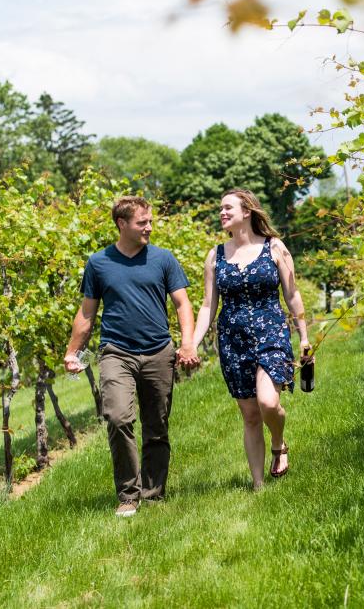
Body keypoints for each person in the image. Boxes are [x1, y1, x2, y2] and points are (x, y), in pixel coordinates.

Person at [65, 196, 199, 518]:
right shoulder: (99, 263)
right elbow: (87, 313)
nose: (149, 227)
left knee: (157, 426)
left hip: (158, 352)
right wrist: (73, 352)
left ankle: (153, 493)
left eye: (150, 221)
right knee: (118, 417)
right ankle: (128, 495)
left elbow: (183, 303)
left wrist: (188, 344)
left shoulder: (163, 259)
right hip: (116, 352)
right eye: (143, 223)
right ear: (122, 224)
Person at [192, 189, 310, 491]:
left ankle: (279, 442)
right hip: (233, 341)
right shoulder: (215, 256)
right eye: (220, 208)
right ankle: (258, 485)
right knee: (250, 415)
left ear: (247, 211)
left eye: (228, 207)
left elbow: (292, 294)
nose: (222, 212)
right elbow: (208, 306)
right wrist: (191, 343)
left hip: (271, 332)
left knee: (268, 402)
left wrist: (304, 336)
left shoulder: (274, 247)